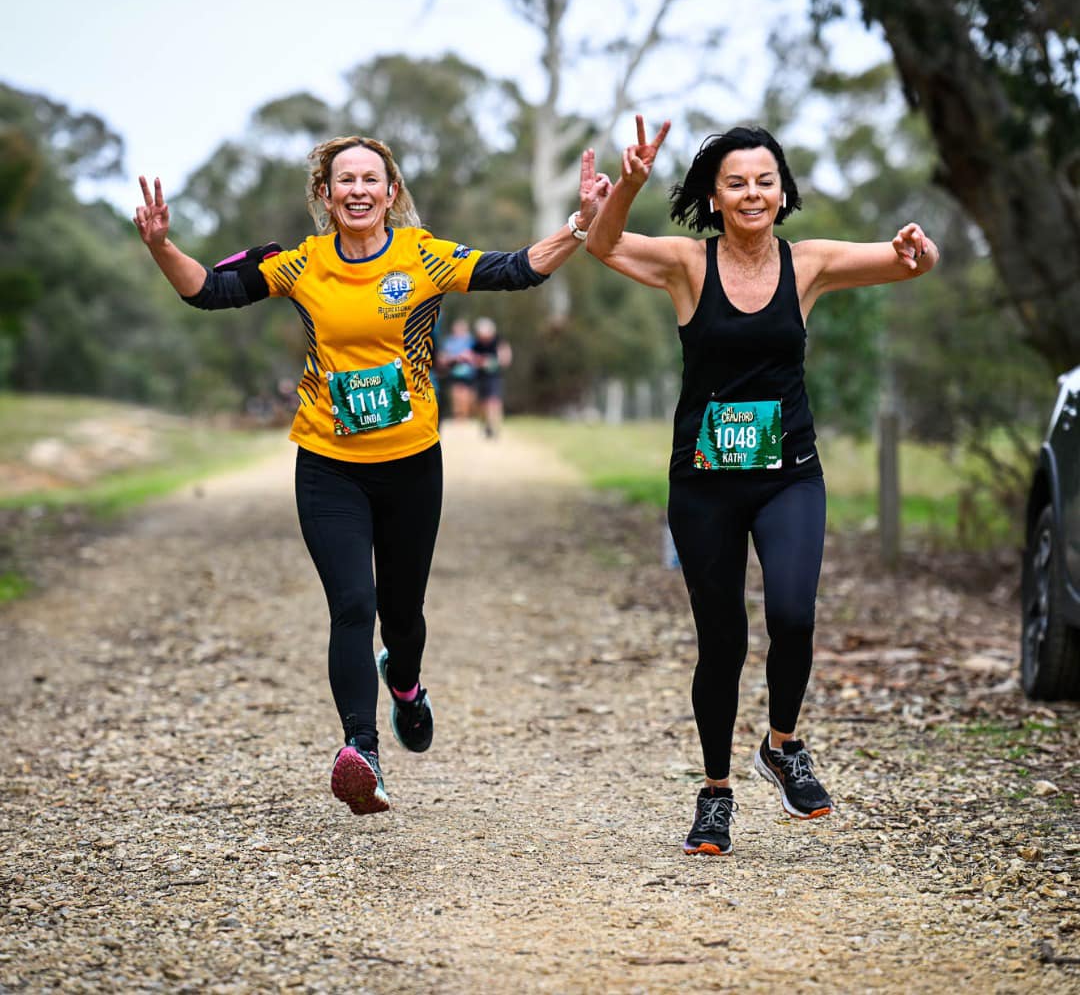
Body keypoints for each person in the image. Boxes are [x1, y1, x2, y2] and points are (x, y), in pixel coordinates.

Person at [134, 137, 611, 816]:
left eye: (371, 179)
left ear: (391, 192)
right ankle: (363, 752)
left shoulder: (425, 256)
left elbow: (515, 270)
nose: (357, 190)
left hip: (412, 463)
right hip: (329, 465)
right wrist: (160, 246)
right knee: (353, 605)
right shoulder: (299, 262)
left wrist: (578, 225)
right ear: (325, 195)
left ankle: (406, 683)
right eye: (343, 180)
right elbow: (210, 290)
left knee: (402, 613)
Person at [586, 116, 938, 856]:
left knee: (794, 615)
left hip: (790, 478)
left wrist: (916, 253)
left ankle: (782, 745)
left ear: (783, 192)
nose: (752, 193)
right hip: (706, 485)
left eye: (765, 181)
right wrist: (630, 187)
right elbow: (603, 244)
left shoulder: (807, 265)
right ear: (714, 198)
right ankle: (715, 792)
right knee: (722, 643)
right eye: (736, 183)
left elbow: (903, 264)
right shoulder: (687, 264)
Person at [471, 316, 512, 438]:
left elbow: (505, 359)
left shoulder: (499, 342)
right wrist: (479, 362)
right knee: (483, 403)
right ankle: (486, 426)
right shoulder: (476, 344)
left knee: (494, 402)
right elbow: (472, 358)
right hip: (481, 377)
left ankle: (496, 427)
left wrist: (491, 362)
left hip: (495, 377)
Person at [436, 317, 478, 420]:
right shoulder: (450, 341)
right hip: (455, 372)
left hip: (469, 372)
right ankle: (458, 416)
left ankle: (466, 414)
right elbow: (444, 355)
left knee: (467, 394)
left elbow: (476, 354)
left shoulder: (471, 341)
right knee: (456, 394)